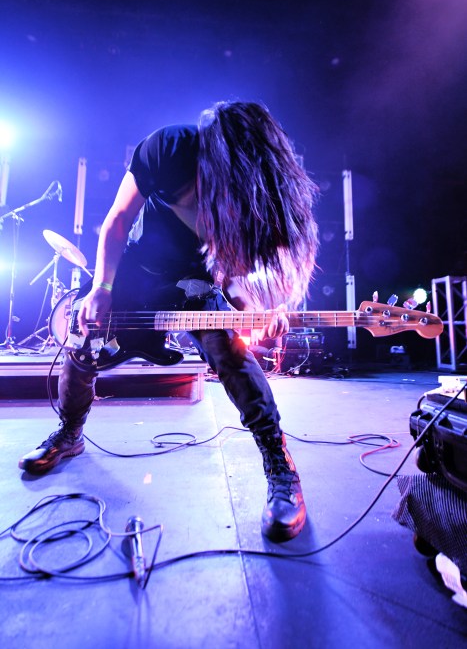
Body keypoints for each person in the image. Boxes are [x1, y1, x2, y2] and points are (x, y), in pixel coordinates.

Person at [19, 101, 319, 543]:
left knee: (228, 350)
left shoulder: (248, 198)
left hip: (198, 281)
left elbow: (233, 277)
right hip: (140, 270)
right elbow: (118, 219)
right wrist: (102, 287)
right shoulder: (168, 148)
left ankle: (280, 466)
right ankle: (69, 433)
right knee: (83, 340)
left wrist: (255, 313)